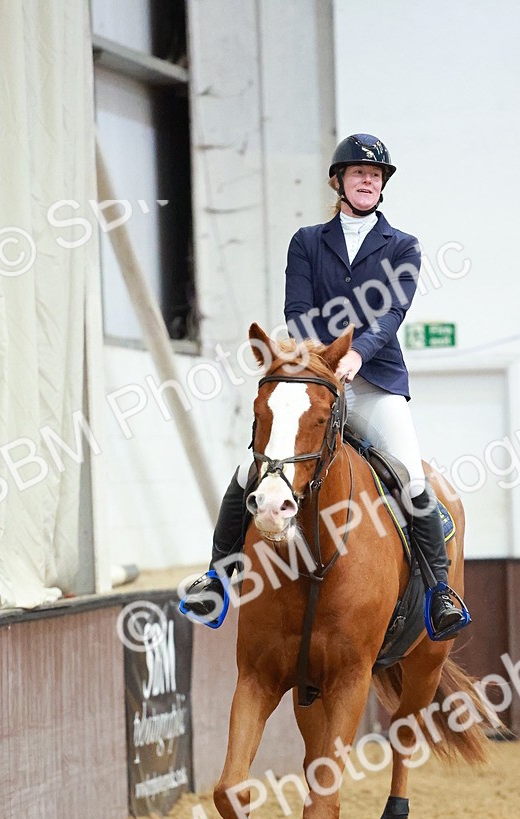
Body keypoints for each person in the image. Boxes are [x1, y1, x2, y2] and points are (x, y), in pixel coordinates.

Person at [180, 133, 468, 639]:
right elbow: (297, 309)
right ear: (338, 181)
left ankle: (439, 590)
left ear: (382, 185)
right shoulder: (308, 242)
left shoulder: (402, 246)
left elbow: (392, 313)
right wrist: (320, 361)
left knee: (412, 478)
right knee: (251, 470)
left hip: (374, 380)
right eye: (358, 173)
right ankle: (217, 580)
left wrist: (356, 354)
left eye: (375, 175)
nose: (367, 181)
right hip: (316, 378)